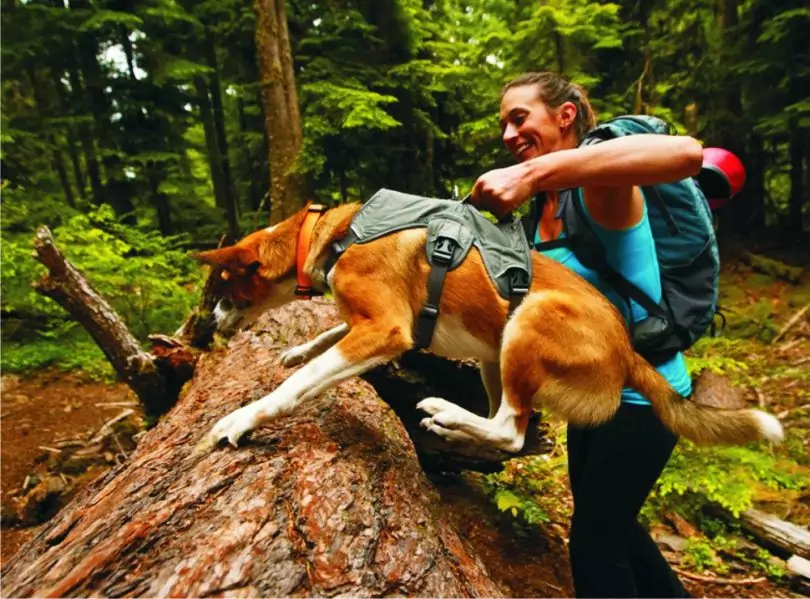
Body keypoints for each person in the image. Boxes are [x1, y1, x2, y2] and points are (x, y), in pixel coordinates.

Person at [470, 71, 701, 598]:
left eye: (520, 117)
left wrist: (535, 175)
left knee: (594, 548)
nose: (508, 134)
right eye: (503, 123)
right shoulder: (545, 206)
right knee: (614, 529)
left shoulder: (600, 188)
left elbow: (687, 154)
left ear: (565, 116)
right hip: (593, 397)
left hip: (645, 402)